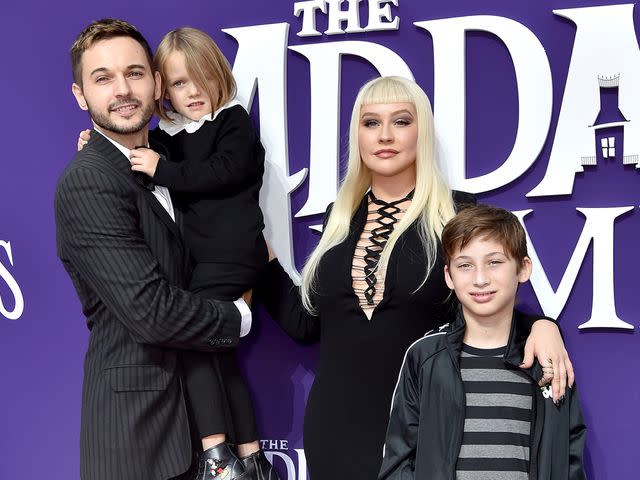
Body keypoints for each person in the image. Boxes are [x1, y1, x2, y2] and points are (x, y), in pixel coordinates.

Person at [255, 76, 574, 479]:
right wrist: (255, 251)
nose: (385, 135)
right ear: (357, 135)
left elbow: (486, 298)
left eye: (401, 121)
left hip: (425, 424)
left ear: (421, 131)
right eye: (371, 123)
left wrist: (543, 325)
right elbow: (305, 324)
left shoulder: (456, 214)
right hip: (335, 426)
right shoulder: (339, 217)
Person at [56, 19, 252, 480]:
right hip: (137, 440)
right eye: (102, 78)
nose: (122, 89)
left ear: (156, 83)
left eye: (135, 73)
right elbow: (151, 312)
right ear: (81, 96)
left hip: (200, 427)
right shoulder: (89, 181)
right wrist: (237, 316)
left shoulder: (171, 162)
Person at [379, 204, 587, 479]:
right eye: (465, 265)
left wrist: (546, 326)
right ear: (448, 276)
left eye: (494, 262)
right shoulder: (426, 357)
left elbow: (569, 457)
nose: (480, 279)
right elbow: (399, 460)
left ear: (523, 268)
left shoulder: (546, 358)